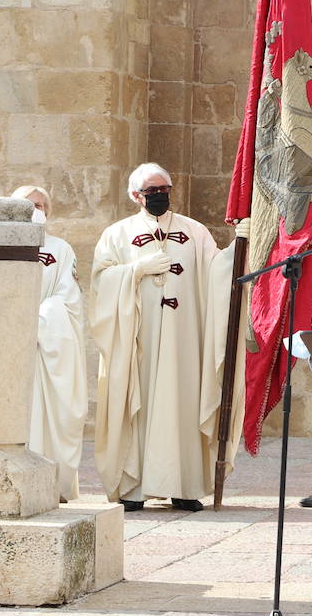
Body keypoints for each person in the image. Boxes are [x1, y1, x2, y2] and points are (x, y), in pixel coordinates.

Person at [91, 163, 243, 513]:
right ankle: (134, 487)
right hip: (139, 339)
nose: (159, 195)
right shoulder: (116, 234)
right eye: (151, 190)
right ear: (135, 196)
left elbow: (218, 273)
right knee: (138, 405)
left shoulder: (195, 231)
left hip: (184, 339)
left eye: (164, 189)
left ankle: (185, 485)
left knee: (183, 402)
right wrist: (135, 271)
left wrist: (238, 248)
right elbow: (100, 282)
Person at [12, 185, 88, 503]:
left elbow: (68, 299)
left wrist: (38, 319)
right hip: (12, 346)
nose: (36, 209)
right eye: (29, 205)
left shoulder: (61, 249)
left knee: (53, 416)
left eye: (42, 205)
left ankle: (53, 485)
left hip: (48, 348)